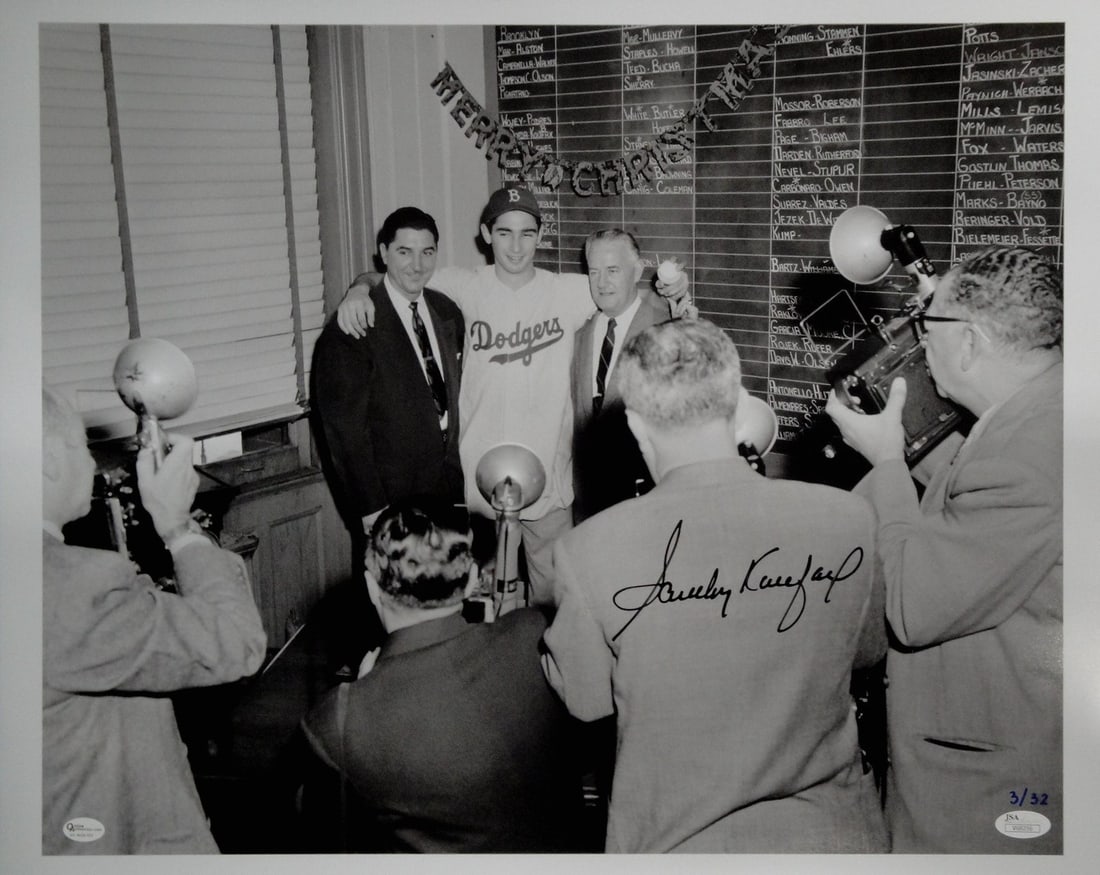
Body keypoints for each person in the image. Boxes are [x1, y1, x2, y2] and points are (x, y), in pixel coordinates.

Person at [541, 319, 888, 853]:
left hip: (678, 843)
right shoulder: (850, 517)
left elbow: (589, 704)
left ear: (634, 424)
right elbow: (864, 653)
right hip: (832, 839)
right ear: (738, 403)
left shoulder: (587, 551)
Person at [335, 187, 687, 605]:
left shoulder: (574, 290)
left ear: (541, 236)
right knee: (478, 600)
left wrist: (678, 294)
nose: (516, 246)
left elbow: (632, 295)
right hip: (477, 482)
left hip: (548, 480)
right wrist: (357, 289)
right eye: (504, 232)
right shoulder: (462, 284)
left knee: (554, 597)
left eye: (526, 233)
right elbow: (394, 275)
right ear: (487, 234)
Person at [825, 246, 1063, 853]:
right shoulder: (1043, 409)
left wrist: (883, 462)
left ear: (972, 341)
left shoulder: (1028, 456)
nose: (919, 340)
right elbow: (970, 499)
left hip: (987, 779)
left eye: (928, 324)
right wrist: (896, 444)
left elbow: (914, 605)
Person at [42, 387, 267, 855]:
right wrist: (178, 527)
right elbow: (235, 643)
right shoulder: (75, 587)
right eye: (82, 446)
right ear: (46, 459)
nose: (93, 463)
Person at [299, 497, 586, 853]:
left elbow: (328, 841)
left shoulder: (337, 721)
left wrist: (359, 694)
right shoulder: (535, 632)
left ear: (372, 589)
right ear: (471, 582)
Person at [311, 206, 465, 534]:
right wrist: (371, 508)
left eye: (427, 252)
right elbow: (345, 432)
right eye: (404, 252)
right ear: (383, 253)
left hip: (447, 492)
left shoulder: (446, 310)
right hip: (389, 501)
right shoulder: (353, 325)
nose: (417, 265)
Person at [571, 228, 671, 522]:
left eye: (613, 270)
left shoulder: (666, 330)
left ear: (638, 270)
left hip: (647, 504)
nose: (602, 283)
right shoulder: (580, 334)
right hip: (589, 503)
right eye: (594, 272)